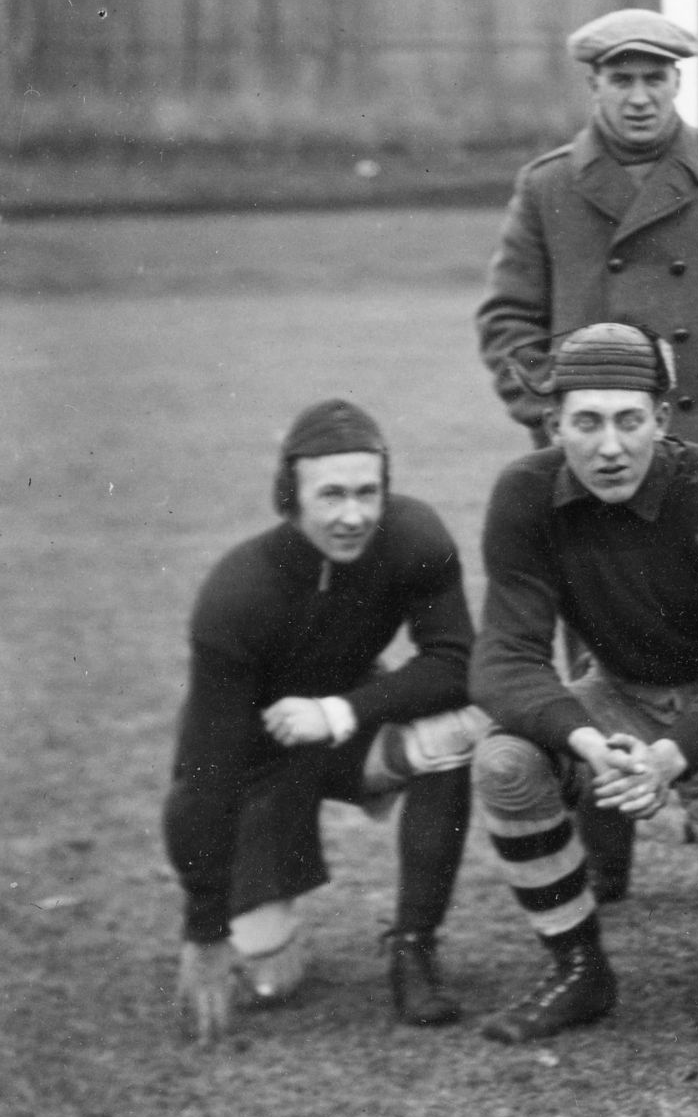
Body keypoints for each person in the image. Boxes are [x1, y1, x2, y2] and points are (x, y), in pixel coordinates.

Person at [476, 5, 698, 905]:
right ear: (594, 87)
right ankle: (605, 850)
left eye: (652, 78)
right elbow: (507, 317)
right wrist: (556, 422)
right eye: (619, 79)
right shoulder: (548, 186)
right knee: (601, 664)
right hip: (595, 476)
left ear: (675, 83)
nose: (637, 95)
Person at [468, 324, 698, 1044]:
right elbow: (503, 659)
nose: (608, 446)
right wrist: (586, 741)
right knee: (505, 764)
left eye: (628, 420)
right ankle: (578, 966)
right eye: (586, 422)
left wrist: (673, 758)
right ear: (555, 423)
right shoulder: (524, 493)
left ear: (662, 418)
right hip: (615, 702)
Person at [166, 400, 484, 1041]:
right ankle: (261, 915)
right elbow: (205, 772)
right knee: (269, 981)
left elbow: (456, 664)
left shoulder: (413, 537)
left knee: (452, 731)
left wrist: (338, 711)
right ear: (291, 494)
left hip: (342, 732)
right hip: (259, 760)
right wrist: (205, 929)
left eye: (368, 492)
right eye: (331, 494)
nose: (353, 515)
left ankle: (414, 946)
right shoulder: (237, 592)